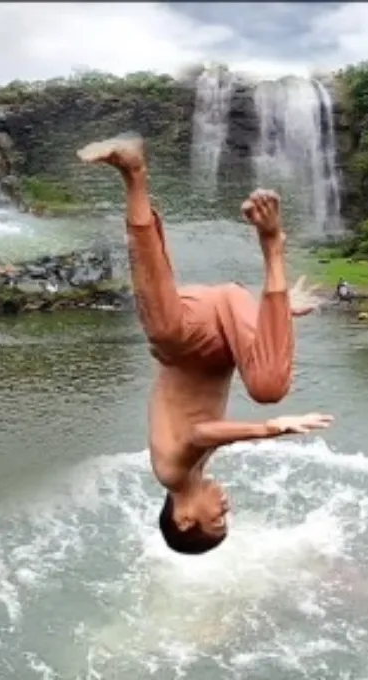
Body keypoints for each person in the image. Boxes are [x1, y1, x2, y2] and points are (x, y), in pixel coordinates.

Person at [79, 136, 332, 555]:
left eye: (216, 518)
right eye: (225, 518)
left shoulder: (171, 473)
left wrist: (269, 430)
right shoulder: (194, 473)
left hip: (190, 332)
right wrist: (279, 314)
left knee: (164, 335)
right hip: (227, 329)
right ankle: (274, 250)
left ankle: (133, 173)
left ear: (184, 518)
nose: (226, 508)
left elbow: (201, 431)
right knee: (268, 387)